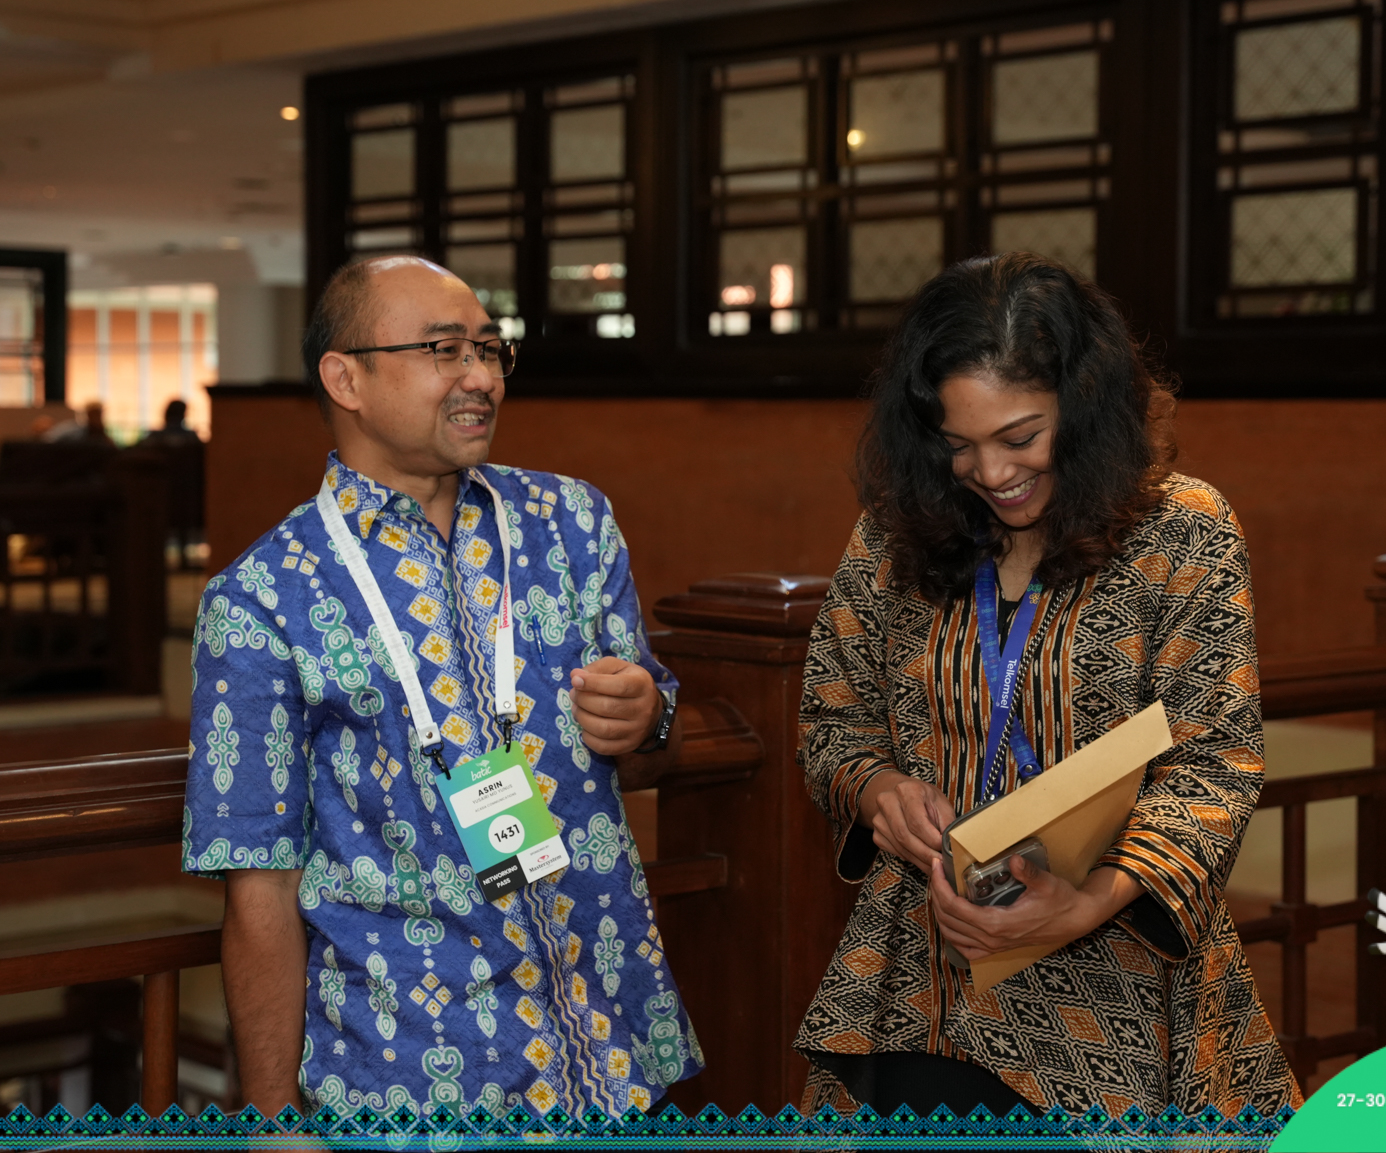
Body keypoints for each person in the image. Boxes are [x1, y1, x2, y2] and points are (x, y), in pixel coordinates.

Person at [183, 256, 700, 1119]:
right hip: (419, 1087)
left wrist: (647, 717)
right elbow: (259, 888)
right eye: (444, 349)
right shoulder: (261, 600)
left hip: (619, 1053)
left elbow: (651, 751)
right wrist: (272, 1120)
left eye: (490, 350)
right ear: (346, 378)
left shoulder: (572, 524)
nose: (481, 377)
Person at [794, 254, 1300, 1119]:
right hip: (922, 972)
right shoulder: (895, 534)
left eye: (1021, 437)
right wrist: (878, 790)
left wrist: (1082, 905)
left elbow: (1215, 763)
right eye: (958, 445)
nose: (991, 473)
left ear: (1086, 408)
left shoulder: (1182, 532)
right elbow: (832, 718)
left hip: (1114, 988)